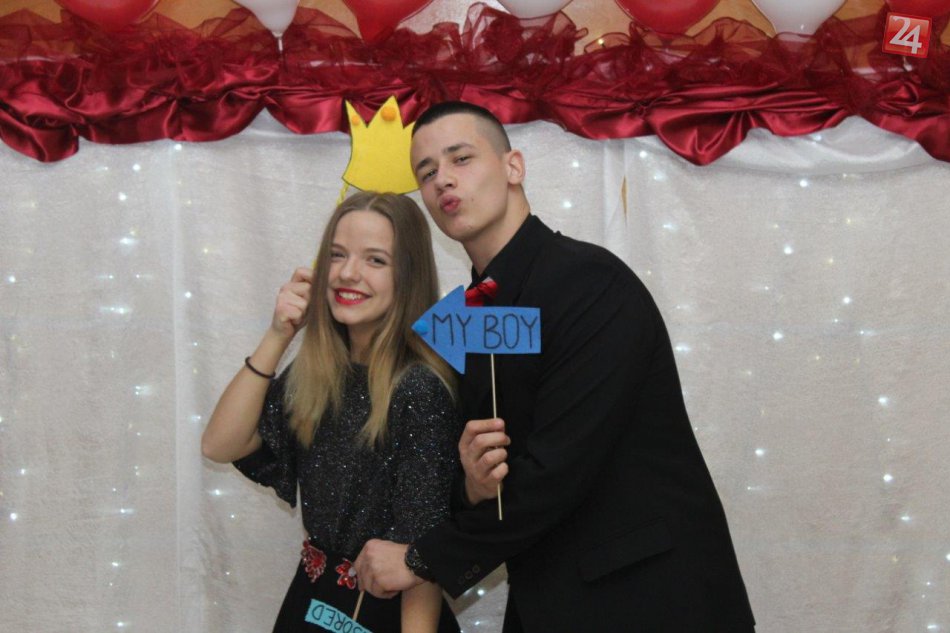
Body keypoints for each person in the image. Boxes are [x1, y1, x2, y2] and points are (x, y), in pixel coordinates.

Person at [353, 102, 757, 632]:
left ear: (513, 167)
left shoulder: (590, 283)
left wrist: (420, 559)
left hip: (652, 601)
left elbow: (559, 468)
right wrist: (472, 485)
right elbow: (477, 469)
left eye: (461, 158)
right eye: (426, 172)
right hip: (548, 601)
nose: (443, 180)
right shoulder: (462, 317)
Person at [201, 191, 462, 633]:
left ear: (408, 275)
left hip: (385, 615)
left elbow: (421, 548)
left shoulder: (418, 388)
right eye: (337, 255)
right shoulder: (318, 372)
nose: (347, 273)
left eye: (375, 260)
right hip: (313, 599)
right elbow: (219, 444)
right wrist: (279, 334)